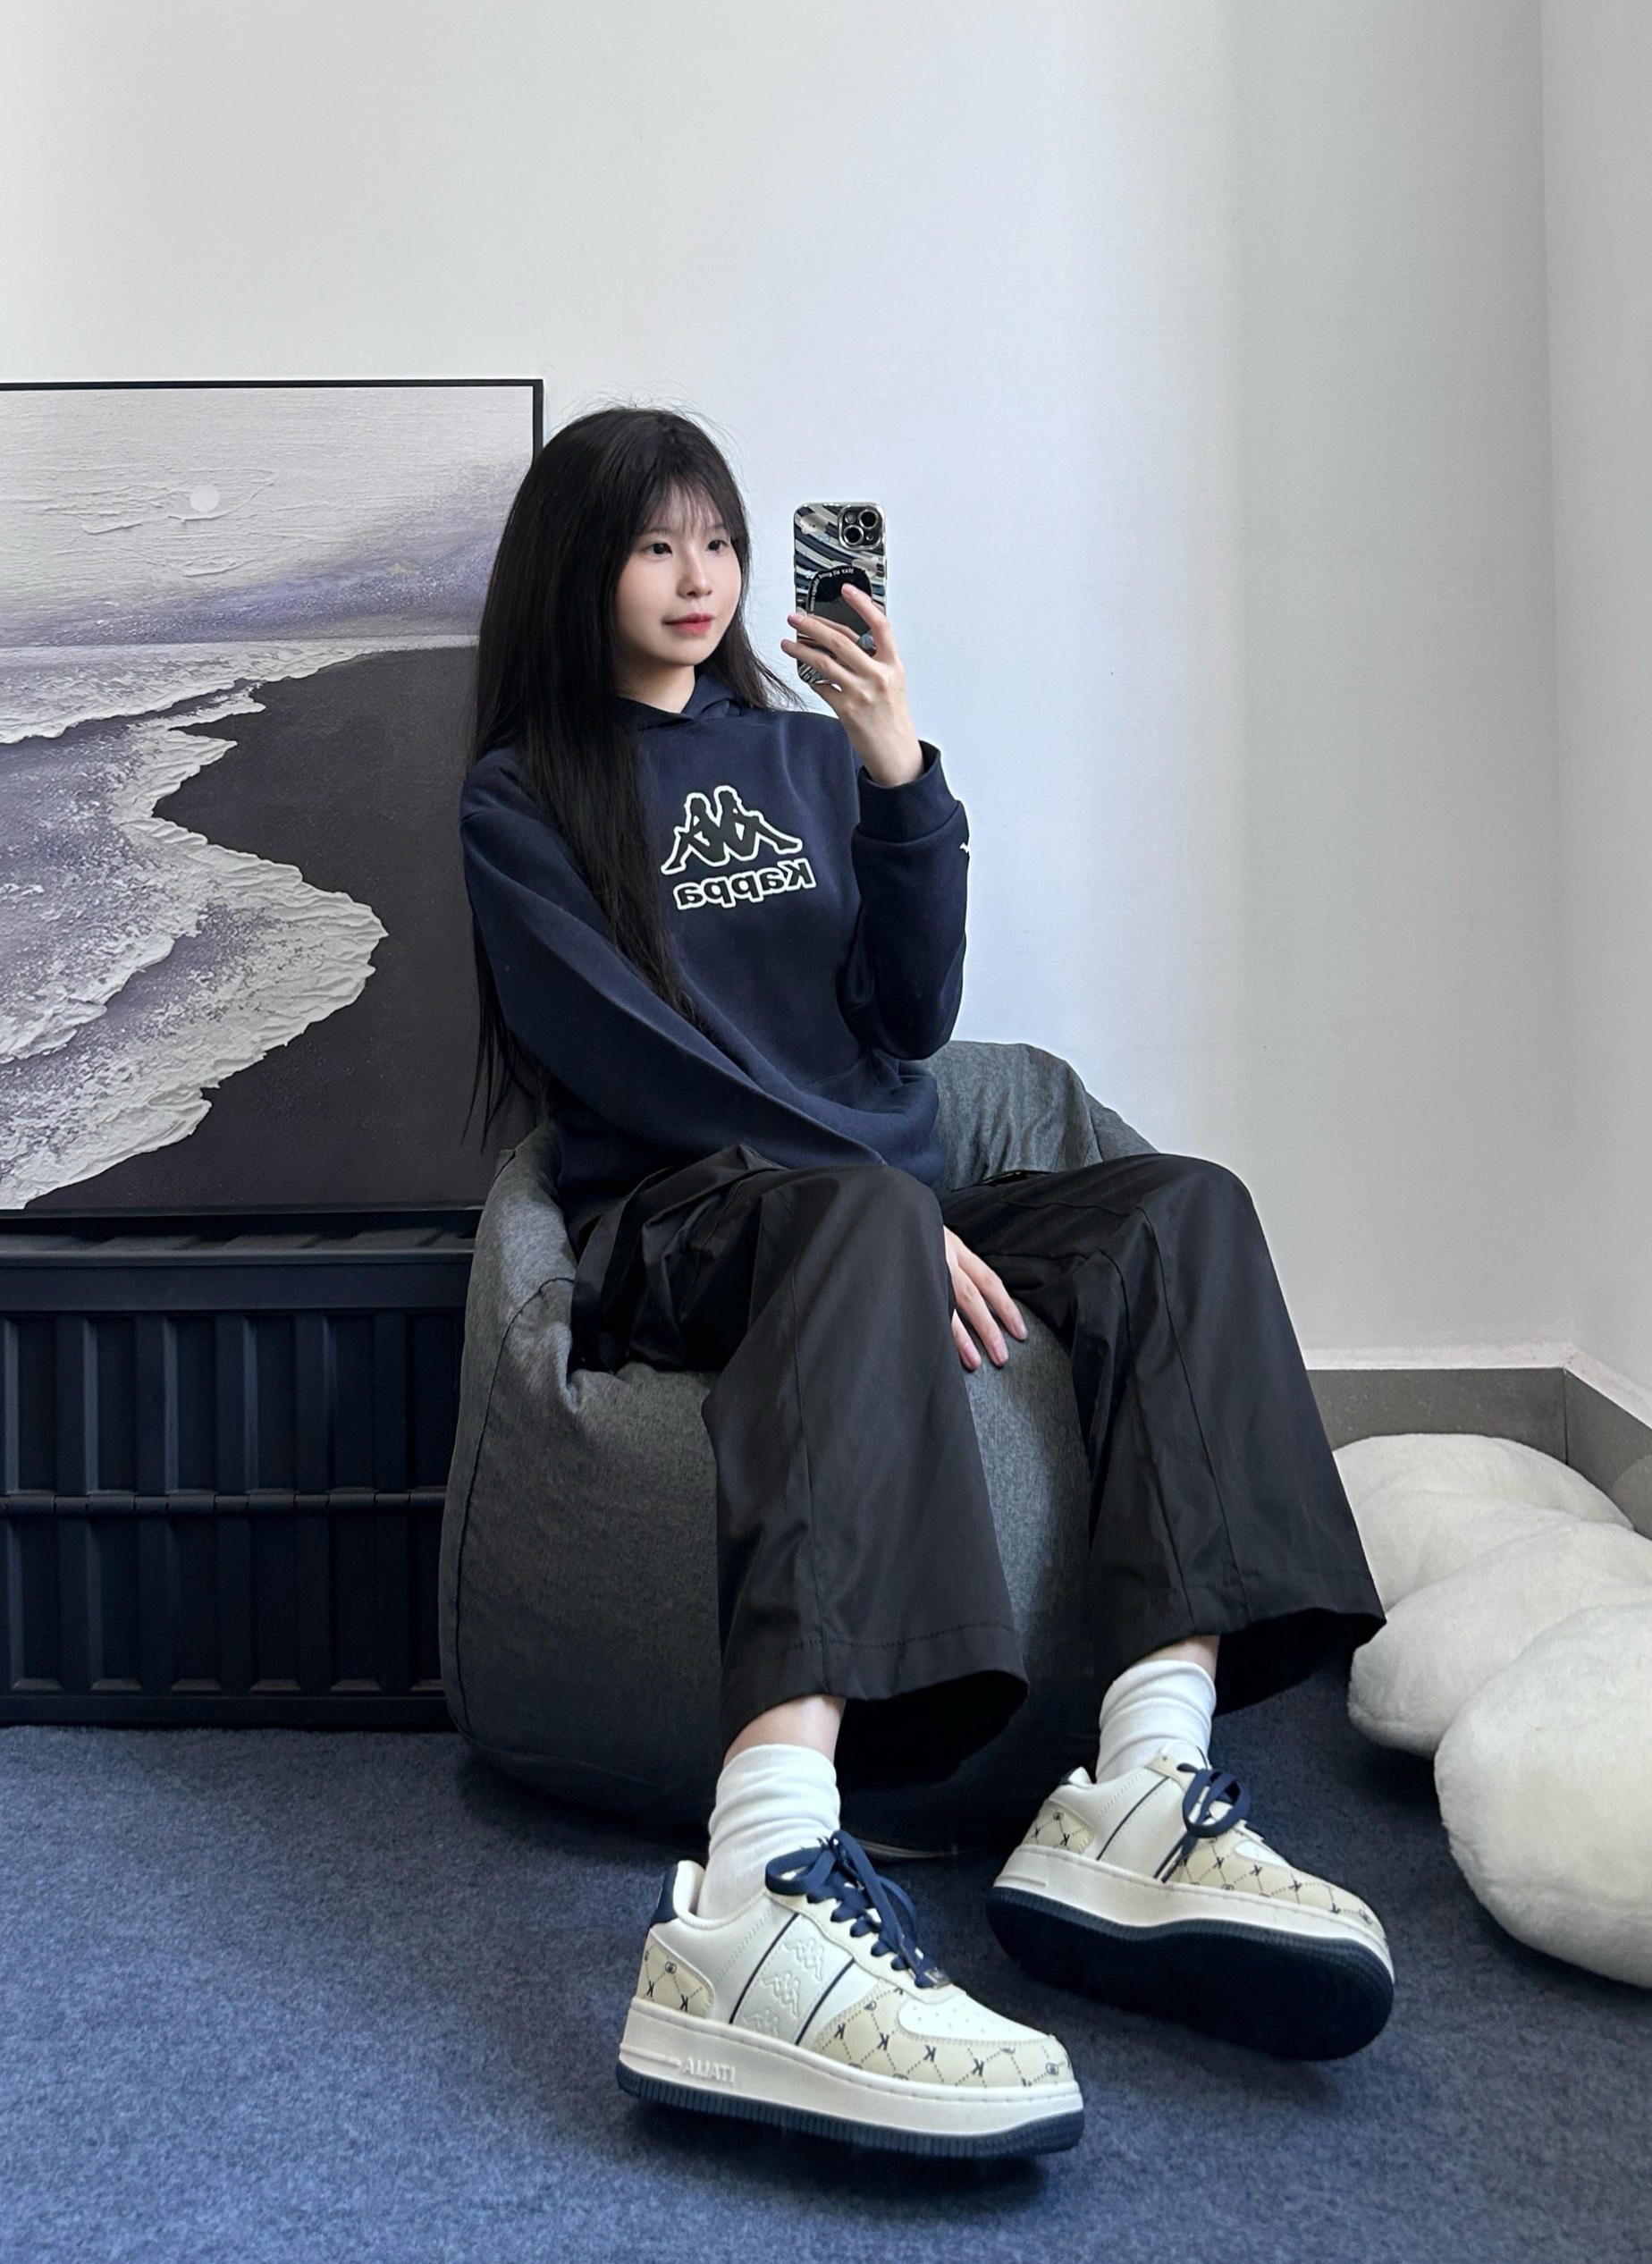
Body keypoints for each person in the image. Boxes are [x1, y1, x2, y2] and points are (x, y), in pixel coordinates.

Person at [459, 406, 1391, 2161]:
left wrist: (898, 779)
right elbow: (623, 1052)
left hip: (883, 1191)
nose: (697, 577)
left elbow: (909, 1017)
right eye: (653, 544)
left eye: (717, 540)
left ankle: (1142, 1784)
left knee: (1182, 1211)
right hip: (685, 1208)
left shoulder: (805, 754)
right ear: (578, 570)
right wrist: (868, 1197)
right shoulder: (523, 794)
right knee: (865, 1214)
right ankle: (759, 1887)